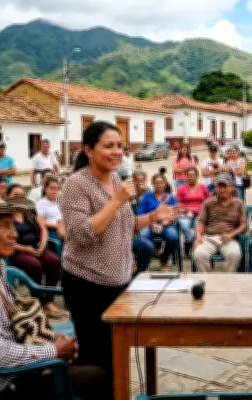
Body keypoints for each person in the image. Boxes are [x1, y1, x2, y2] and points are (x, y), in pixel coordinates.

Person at [0, 190, 111, 400]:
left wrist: (52, 340)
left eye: (12, 224)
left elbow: (12, 323)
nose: (15, 234)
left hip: (10, 373)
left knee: (96, 352)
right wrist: (53, 351)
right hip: (1, 389)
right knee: (99, 376)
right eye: (3, 226)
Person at [59, 121, 175, 374]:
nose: (117, 152)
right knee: (97, 361)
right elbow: (82, 234)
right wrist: (117, 200)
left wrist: (154, 216)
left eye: (120, 146)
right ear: (88, 150)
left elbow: (122, 225)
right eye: (108, 146)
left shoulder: (114, 179)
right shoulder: (75, 185)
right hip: (87, 284)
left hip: (119, 281)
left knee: (118, 354)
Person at [7, 190, 65, 319]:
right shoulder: (5, 216)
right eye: (15, 194)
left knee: (54, 261)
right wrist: (25, 249)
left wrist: (43, 243)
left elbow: (43, 228)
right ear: (8, 196)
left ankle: (48, 300)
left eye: (21, 194)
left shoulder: (29, 212)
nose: (19, 197)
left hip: (36, 247)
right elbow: (6, 241)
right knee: (34, 265)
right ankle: (38, 300)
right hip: (18, 250)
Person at [192, 172, 247, 272]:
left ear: (231, 187)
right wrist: (199, 236)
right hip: (209, 238)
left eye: (225, 186)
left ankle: (226, 280)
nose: (222, 189)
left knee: (235, 254)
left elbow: (243, 225)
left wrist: (231, 235)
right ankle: (206, 280)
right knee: (199, 253)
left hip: (228, 239)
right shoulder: (208, 202)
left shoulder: (238, 203)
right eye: (219, 186)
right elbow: (201, 222)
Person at [138, 173, 180, 271]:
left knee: (173, 236)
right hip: (149, 224)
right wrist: (152, 223)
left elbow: (175, 214)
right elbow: (141, 213)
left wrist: (163, 224)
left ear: (165, 183)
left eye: (161, 182)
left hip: (166, 225)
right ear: (153, 184)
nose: (159, 185)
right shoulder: (147, 197)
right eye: (156, 183)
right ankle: (145, 261)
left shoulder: (171, 197)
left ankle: (164, 259)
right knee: (141, 237)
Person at [176, 167, 209, 255]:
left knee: (197, 225)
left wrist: (203, 211)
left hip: (200, 213)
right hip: (186, 213)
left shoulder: (203, 187)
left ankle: (190, 245)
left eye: (193, 175)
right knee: (184, 224)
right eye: (189, 175)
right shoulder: (181, 189)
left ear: (197, 176)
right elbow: (178, 204)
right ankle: (190, 240)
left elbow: (208, 201)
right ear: (185, 176)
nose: (191, 177)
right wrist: (186, 210)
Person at [36, 177, 65, 250]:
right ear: (45, 189)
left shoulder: (60, 202)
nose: (54, 191)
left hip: (64, 228)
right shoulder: (41, 203)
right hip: (52, 231)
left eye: (56, 189)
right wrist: (57, 225)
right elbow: (40, 222)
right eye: (52, 188)